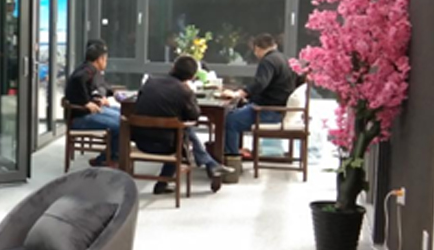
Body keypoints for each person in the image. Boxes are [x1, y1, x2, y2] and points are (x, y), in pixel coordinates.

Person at [132, 55, 232, 194]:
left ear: (173, 67)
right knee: (183, 131)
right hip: (168, 145)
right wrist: (190, 95)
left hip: (140, 140)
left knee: (182, 129)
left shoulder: (150, 83)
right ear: (192, 77)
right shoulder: (184, 91)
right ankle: (209, 164)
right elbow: (194, 116)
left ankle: (208, 164)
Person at [222, 33, 297, 157]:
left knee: (230, 120)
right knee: (235, 114)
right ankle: (236, 150)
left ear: (257, 48)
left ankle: (231, 156)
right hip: (279, 109)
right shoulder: (284, 59)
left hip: (268, 111)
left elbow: (260, 83)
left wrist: (239, 94)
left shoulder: (268, 61)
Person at [65, 40, 120, 166]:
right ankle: (109, 159)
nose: (106, 62)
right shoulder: (88, 70)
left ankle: (112, 156)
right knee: (120, 125)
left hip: (88, 112)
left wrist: (98, 98)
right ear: (100, 59)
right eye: (105, 59)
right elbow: (78, 80)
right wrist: (85, 102)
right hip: (80, 117)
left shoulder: (90, 69)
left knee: (122, 116)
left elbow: (94, 88)